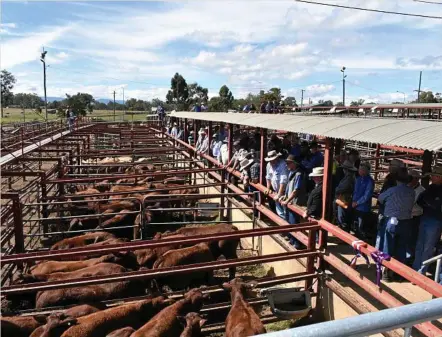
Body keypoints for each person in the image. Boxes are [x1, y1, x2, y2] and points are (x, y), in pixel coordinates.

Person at [377, 167, 415, 281]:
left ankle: (386, 273)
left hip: (392, 221)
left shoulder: (392, 190)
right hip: (406, 222)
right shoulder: (411, 192)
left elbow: (380, 198)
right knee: (401, 249)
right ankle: (399, 273)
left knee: (387, 247)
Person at [412, 166, 442, 276]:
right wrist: (430, 203)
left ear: (439, 177)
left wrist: (429, 203)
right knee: (420, 244)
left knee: (428, 247)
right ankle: (416, 268)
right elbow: (421, 200)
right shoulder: (430, 187)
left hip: (435, 220)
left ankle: (422, 270)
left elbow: (434, 204)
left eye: (434, 175)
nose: (432, 177)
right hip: (427, 218)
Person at [281, 155, 307, 248]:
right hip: (290, 201)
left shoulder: (298, 174)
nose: (287, 164)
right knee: (289, 221)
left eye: (289, 163)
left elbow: (296, 190)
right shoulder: (292, 172)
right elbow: (290, 187)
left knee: (293, 222)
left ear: (294, 164)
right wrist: (285, 196)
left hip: (295, 202)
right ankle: (292, 240)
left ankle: (297, 243)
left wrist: (287, 200)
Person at [352, 162, 374, 239]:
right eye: (360, 169)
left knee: (361, 226)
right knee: (356, 224)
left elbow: (367, 195)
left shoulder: (369, 181)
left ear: (367, 171)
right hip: (356, 205)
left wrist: (357, 202)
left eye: (362, 169)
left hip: (363, 207)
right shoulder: (358, 179)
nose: (360, 171)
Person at [407, 169, 425, 263]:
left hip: (414, 217)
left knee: (412, 238)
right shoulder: (409, 188)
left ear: (416, 179)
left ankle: (409, 258)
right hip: (407, 216)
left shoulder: (421, 191)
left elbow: (410, 204)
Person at [334, 160, 357, 232]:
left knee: (342, 217)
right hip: (345, 199)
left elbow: (342, 188)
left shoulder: (349, 178)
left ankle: (344, 232)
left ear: (346, 170)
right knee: (343, 216)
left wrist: (337, 189)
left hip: (344, 199)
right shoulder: (350, 177)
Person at [265, 150, 288, 219]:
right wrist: (268, 188)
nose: (271, 161)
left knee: (285, 211)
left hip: (284, 191)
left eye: (273, 160)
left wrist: (279, 194)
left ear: (277, 158)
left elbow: (283, 180)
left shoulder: (283, 164)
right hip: (276, 190)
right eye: (270, 160)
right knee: (280, 212)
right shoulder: (269, 165)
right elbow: (268, 177)